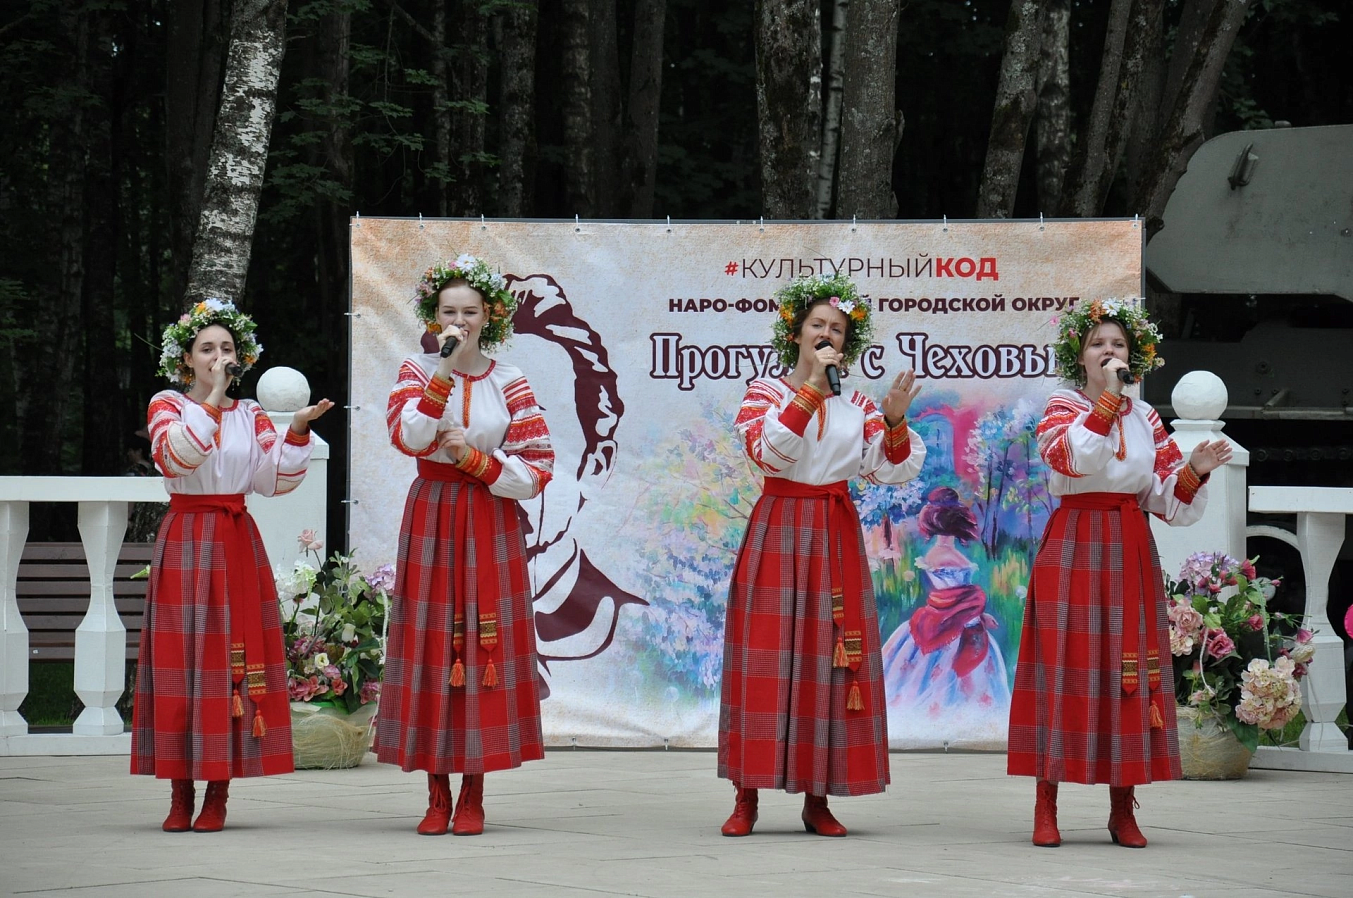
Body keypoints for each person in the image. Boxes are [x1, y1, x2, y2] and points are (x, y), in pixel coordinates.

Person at [1007, 298, 1232, 849]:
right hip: (1075, 544)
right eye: (1098, 345)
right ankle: (1046, 803)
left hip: (1129, 543)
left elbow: (1161, 498)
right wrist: (1108, 401)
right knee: (1066, 665)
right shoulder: (1062, 407)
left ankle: (1122, 806)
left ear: (1134, 356)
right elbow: (1073, 461)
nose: (1110, 352)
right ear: (1080, 357)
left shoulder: (1147, 417)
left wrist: (1194, 472)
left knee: (1130, 668)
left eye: (1119, 346)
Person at [718, 273, 925, 837]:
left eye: (837, 329)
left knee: (830, 657)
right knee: (768, 655)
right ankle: (747, 795)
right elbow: (770, 454)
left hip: (834, 530)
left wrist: (897, 419)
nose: (827, 334)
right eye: (818, 325)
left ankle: (818, 797)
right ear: (797, 333)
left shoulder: (857, 403)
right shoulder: (766, 393)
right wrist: (810, 388)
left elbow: (885, 468)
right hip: (780, 526)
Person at [132, 299, 332, 833]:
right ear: (187, 361)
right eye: (207, 350)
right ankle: (179, 792)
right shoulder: (167, 405)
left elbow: (276, 480)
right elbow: (178, 457)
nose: (219, 357)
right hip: (186, 537)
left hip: (235, 538)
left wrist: (297, 433)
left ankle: (217, 793)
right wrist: (215, 399)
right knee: (183, 656)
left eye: (227, 349)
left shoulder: (252, 415)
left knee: (227, 657)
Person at [376, 254, 555, 836]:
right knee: (433, 645)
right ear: (435, 316)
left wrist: (473, 459)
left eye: (469, 312)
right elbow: (410, 436)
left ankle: (474, 793)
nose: (458, 321)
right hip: (431, 516)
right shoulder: (415, 369)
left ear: (490, 316)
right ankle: (435, 793)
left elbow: (536, 471)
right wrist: (444, 372)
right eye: (448, 312)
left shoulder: (512, 381)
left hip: (488, 517)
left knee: (484, 646)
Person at [880, 487, 1010, 729]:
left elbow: (959, 599)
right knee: (942, 680)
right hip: (951, 623)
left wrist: (979, 613)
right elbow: (954, 597)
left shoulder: (943, 553)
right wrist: (975, 609)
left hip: (958, 619)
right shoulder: (943, 555)